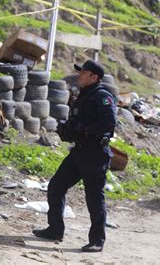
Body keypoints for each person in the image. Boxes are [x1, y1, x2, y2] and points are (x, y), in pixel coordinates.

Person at [33, 60, 117, 253]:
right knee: (56, 187)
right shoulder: (83, 95)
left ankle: (97, 240)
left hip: (95, 154)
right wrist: (68, 130)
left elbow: (109, 124)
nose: (79, 75)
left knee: (94, 198)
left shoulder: (103, 97)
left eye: (84, 73)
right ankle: (55, 230)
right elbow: (78, 122)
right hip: (79, 152)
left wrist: (86, 131)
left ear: (94, 77)